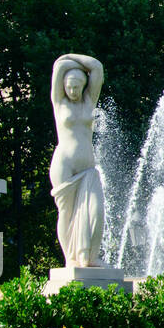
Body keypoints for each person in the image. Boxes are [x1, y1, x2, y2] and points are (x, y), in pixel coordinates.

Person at [49, 54, 105, 267]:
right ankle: (71, 259)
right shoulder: (59, 102)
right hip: (64, 165)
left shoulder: (89, 101)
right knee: (66, 212)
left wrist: (71, 58)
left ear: (84, 86)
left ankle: (89, 257)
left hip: (88, 168)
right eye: (69, 87)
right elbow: (58, 67)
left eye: (77, 87)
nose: (72, 91)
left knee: (96, 212)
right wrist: (65, 61)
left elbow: (97, 66)